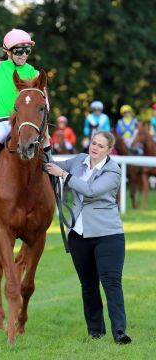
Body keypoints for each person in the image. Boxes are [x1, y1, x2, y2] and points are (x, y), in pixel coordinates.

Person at [45, 130, 132, 345]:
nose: (95, 148)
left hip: (108, 235)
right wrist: (44, 143)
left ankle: (119, 331)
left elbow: (91, 190)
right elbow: (51, 165)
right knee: (88, 285)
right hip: (79, 235)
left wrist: (64, 175)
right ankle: (95, 331)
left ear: (108, 150)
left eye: (101, 146)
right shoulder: (79, 160)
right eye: (94, 143)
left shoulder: (113, 171)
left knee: (111, 283)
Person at [0, 16, 50, 179]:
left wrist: (43, 122)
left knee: (47, 142)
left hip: (29, 121)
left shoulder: (34, 72)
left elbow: (44, 101)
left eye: (27, 50)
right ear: (8, 52)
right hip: (4, 121)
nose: (23, 55)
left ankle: (54, 179)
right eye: (19, 51)